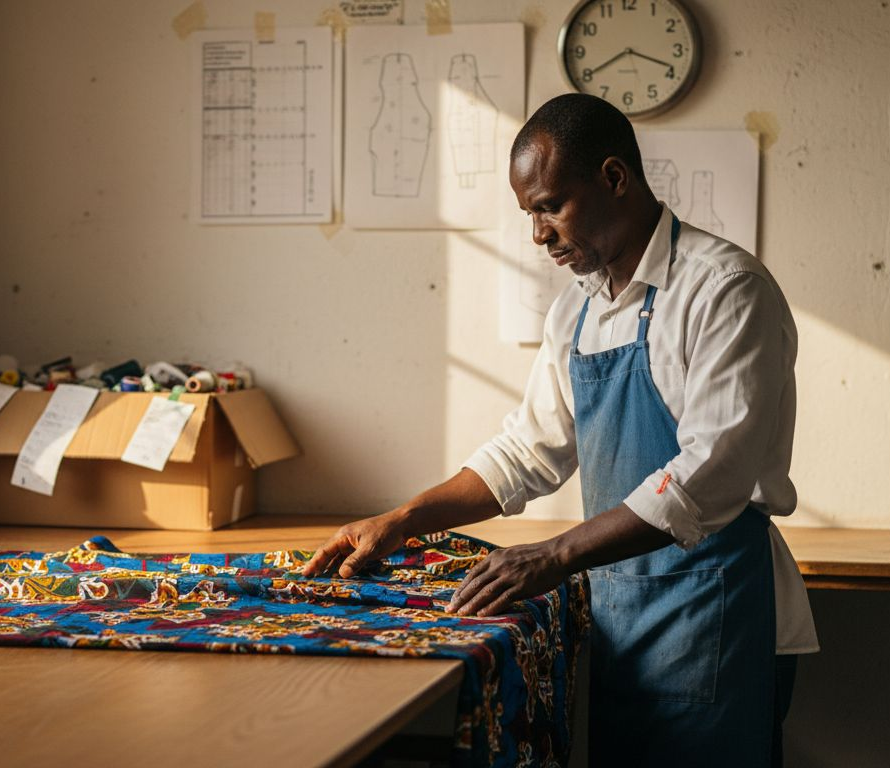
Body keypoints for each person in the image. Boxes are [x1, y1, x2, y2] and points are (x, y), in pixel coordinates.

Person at [303, 93, 818, 767]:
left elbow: (708, 476)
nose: (539, 234)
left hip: (716, 614)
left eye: (550, 206)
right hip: (623, 616)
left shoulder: (724, 290)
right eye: (530, 215)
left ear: (614, 178)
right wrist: (404, 520)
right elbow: (526, 452)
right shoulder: (580, 312)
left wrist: (553, 555)